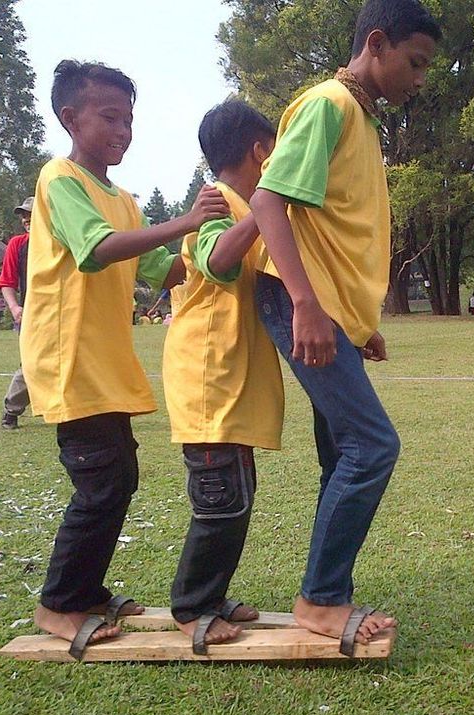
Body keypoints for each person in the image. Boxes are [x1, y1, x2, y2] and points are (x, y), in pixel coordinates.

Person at [20, 59, 229, 656]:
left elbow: (168, 270)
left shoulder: (125, 200)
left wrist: (224, 231)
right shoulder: (60, 180)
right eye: (109, 117)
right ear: (70, 118)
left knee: (117, 479)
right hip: (67, 360)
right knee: (100, 484)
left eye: (129, 119)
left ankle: (85, 591)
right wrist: (185, 219)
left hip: (103, 362)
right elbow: (96, 250)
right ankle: (57, 604)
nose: (123, 130)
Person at [250, 0, 440, 654]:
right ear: (377, 43)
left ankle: (325, 591)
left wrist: (360, 325)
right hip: (301, 303)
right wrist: (305, 303)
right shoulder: (327, 104)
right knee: (372, 447)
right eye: (414, 63)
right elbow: (268, 199)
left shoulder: (359, 120)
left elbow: (340, 230)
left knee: (344, 452)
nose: (419, 78)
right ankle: (321, 600)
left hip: (332, 313)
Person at [163, 100, 285, 650]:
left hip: (231, 378)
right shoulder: (218, 204)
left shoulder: (241, 202)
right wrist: (267, 207)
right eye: (276, 149)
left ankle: (212, 595)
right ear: (261, 151)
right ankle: (192, 604)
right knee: (220, 500)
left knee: (236, 493)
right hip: (209, 379)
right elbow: (214, 260)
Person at [0, 197, 34, 428]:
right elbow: (7, 281)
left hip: (66, 313)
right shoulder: (18, 245)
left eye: (31, 213)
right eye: (23, 215)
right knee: (32, 364)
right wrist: (14, 307)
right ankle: (12, 408)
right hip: (31, 315)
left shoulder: (61, 242)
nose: (26, 218)